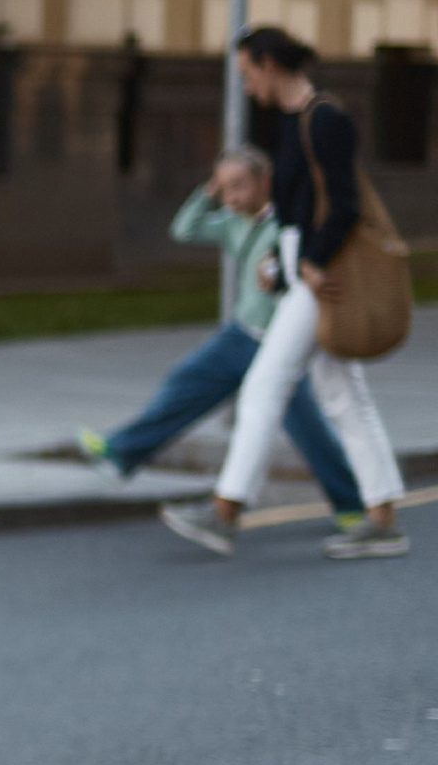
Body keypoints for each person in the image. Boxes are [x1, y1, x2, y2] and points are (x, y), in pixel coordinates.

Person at [161, 27, 408, 562]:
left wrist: (313, 264)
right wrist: (281, 264)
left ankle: (225, 512)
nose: (248, 87)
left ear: (270, 64)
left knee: (265, 386)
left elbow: (343, 202)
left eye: (249, 74)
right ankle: (383, 519)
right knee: (344, 397)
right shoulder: (294, 122)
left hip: (321, 275)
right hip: (304, 269)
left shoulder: (325, 119)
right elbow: (297, 211)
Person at [79, 149, 361, 515]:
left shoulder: (285, 225)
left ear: (265, 183)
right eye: (225, 187)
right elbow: (184, 230)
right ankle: (122, 452)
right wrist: (208, 194)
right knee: (186, 381)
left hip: (279, 345)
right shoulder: (232, 222)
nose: (232, 196)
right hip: (240, 336)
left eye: (239, 186)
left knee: (309, 432)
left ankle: (352, 505)